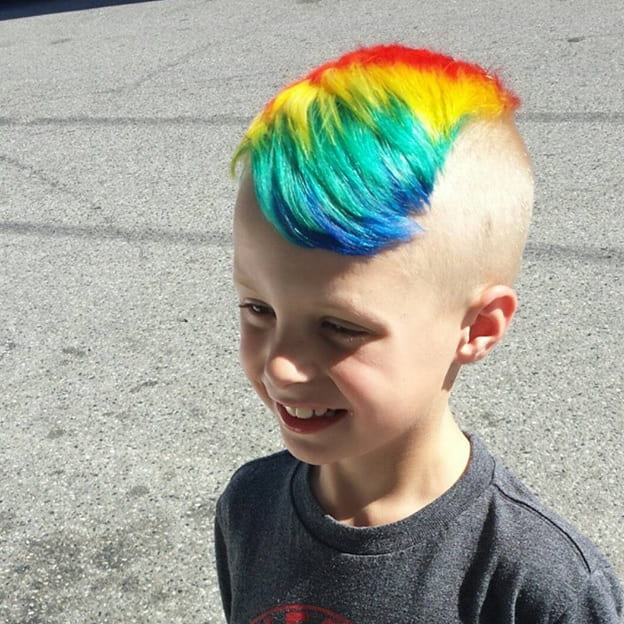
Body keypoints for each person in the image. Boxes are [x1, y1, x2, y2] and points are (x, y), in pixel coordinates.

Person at [214, 44, 623, 623]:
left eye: (339, 327)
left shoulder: (536, 582)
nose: (280, 366)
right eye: (258, 308)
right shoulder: (248, 505)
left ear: (477, 327)